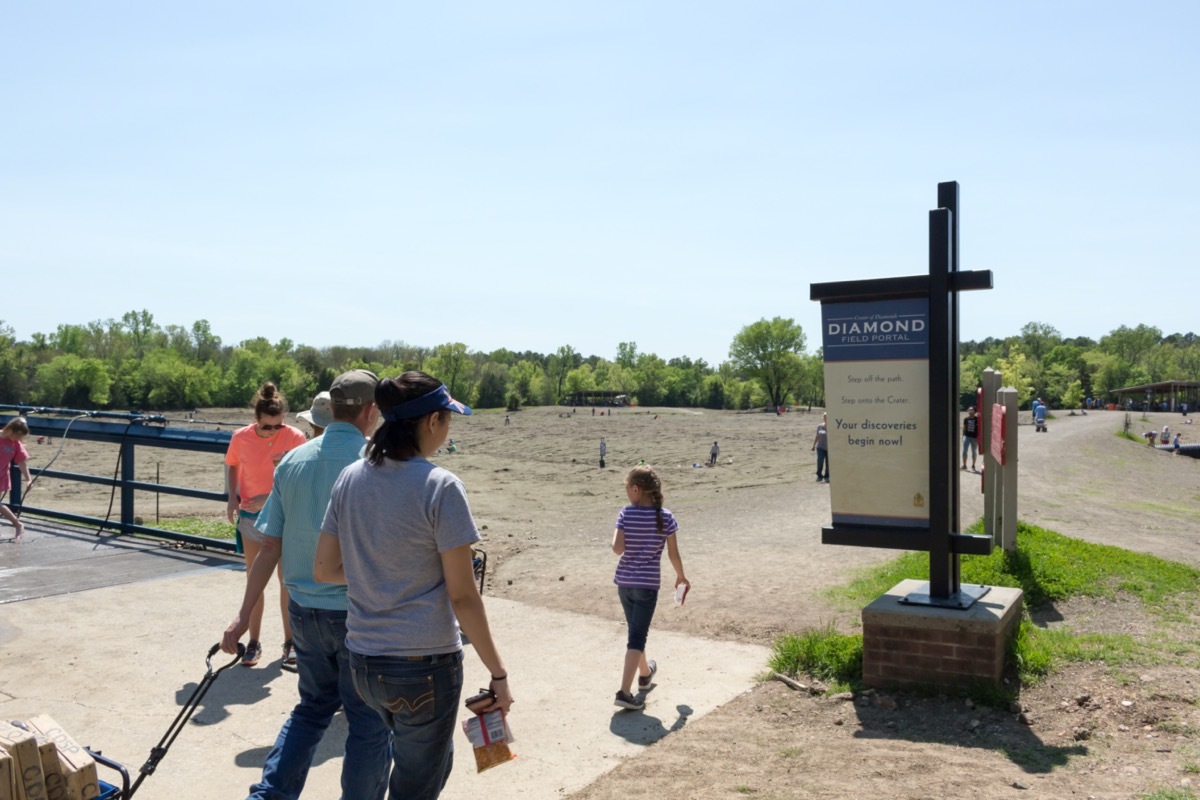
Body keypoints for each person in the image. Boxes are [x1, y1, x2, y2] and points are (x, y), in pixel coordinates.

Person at [313, 372, 512, 799]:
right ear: (432, 421)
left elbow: (326, 569)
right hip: (424, 667)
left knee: (419, 767)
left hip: (364, 661)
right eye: (448, 419)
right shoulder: (441, 487)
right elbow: (463, 595)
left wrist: (380, 569)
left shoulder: (350, 478)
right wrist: (499, 674)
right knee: (417, 785)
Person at [221, 370, 389, 800]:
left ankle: (270, 795)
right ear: (371, 411)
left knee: (312, 710)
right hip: (359, 615)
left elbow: (268, 547)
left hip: (305, 612)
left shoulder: (293, 461)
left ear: (332, 409)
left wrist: (242, 615)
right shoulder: (378, 462)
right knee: (368, 721)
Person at [225, 381, 307, 668]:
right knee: (254, 581)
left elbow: (302, 478)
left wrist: (267, 498)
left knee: (287, 582)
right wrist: (231, 498)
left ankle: (290, 642)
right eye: (267, 427)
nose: (274, 432)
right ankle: (254, 642)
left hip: (285, 517)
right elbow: (232, 464)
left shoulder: (296, 437)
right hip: (250, 518)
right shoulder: (241, 437)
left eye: (278, 426)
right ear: (256, 420)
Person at [611, 465, 688, 711]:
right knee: (637, 636)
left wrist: (618, 529)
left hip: (624, 583)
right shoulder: (665, 517)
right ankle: (624, 692)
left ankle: (645, 674)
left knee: (635, 633)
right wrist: (681, 577)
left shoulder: (625, 514)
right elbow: (673, 554)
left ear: (636, 489)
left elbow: (617, 549)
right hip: (647, 585)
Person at [1, 418, 33, 541]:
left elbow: (22, 462)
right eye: (17, 436)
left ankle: (17, 524)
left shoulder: (15, 444)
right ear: (9, 430)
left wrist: (28, 479)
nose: (19, 440)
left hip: (1, 475)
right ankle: (17, 524)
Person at [811, 413, 829, 482]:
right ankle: (819, 475)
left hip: (829, 448)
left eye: (827, 417)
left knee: (828, 463)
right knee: (820, 460)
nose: (825, 419)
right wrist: (813, 445)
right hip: (820, 447)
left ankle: (827, 476)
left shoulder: (832, 427)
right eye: (824, 417)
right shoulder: (820, 426)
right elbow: (817, 436)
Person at [961, 406, 979, 471]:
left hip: (974, 437)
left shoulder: (977, 419)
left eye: (972, 410)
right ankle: (964, 465)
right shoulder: (966, 419)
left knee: (974, 451)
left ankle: (973, 465)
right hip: (967, 436)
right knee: (964, 450)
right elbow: (964, 427)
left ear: (975, 411)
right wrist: (963, 436)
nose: (970, 411)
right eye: (969, 410)